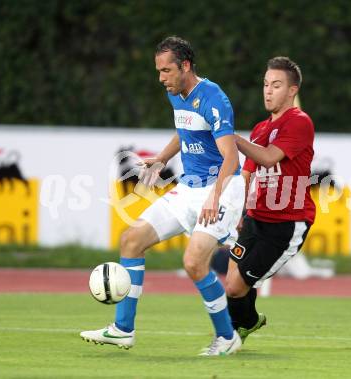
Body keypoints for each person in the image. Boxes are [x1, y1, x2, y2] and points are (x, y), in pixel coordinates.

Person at [80, 36, 245, 356]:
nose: (161, 78)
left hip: (221, 189)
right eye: (158, 71)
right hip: (189, 187)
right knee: (131, 240)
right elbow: (184, 130)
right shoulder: (177, 94)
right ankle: (122, 330)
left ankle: (227, 338)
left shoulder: (214, 99)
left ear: (185, 66)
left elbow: (231, 158)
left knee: (194, 262)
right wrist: (162, 157)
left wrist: (214, 197)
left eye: (166, 70)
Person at [224, 56, 316, 343]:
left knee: (237, 287)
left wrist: (230, 137)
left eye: (276, 85)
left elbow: (267, 157)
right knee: (231, 283)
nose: (268, 90)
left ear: (292, 90)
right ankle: (244, 324)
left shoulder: (299, 122)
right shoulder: (260, 129)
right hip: (255, 218)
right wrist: (238, 215)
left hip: (285, 224)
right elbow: (248, 175)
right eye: (265, 84)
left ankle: (235, 332)